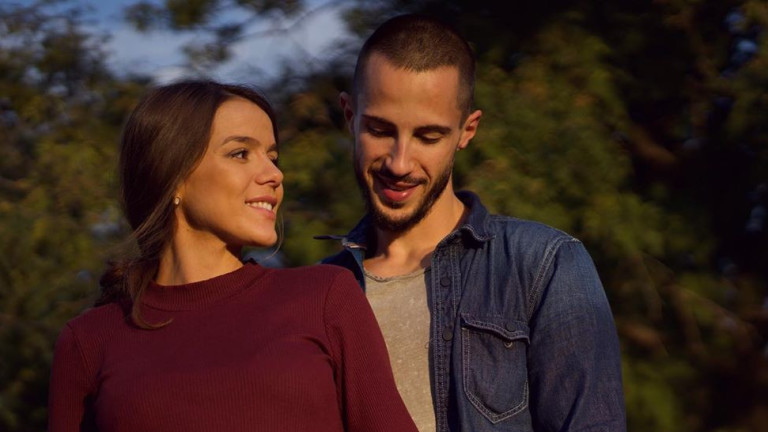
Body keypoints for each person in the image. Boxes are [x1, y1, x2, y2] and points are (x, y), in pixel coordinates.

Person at [48, 80, 417, 432]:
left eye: (272, 157)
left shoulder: (324, 297)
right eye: (240, 153)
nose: (274, 174)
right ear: (173, 174)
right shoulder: (88, 341)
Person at [321, 14, 626, 432]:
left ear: (467, 130)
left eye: (428, 137)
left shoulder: (542, 265)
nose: (399, 162)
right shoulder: (317, 292)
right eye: (379, 130)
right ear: (349, 116)